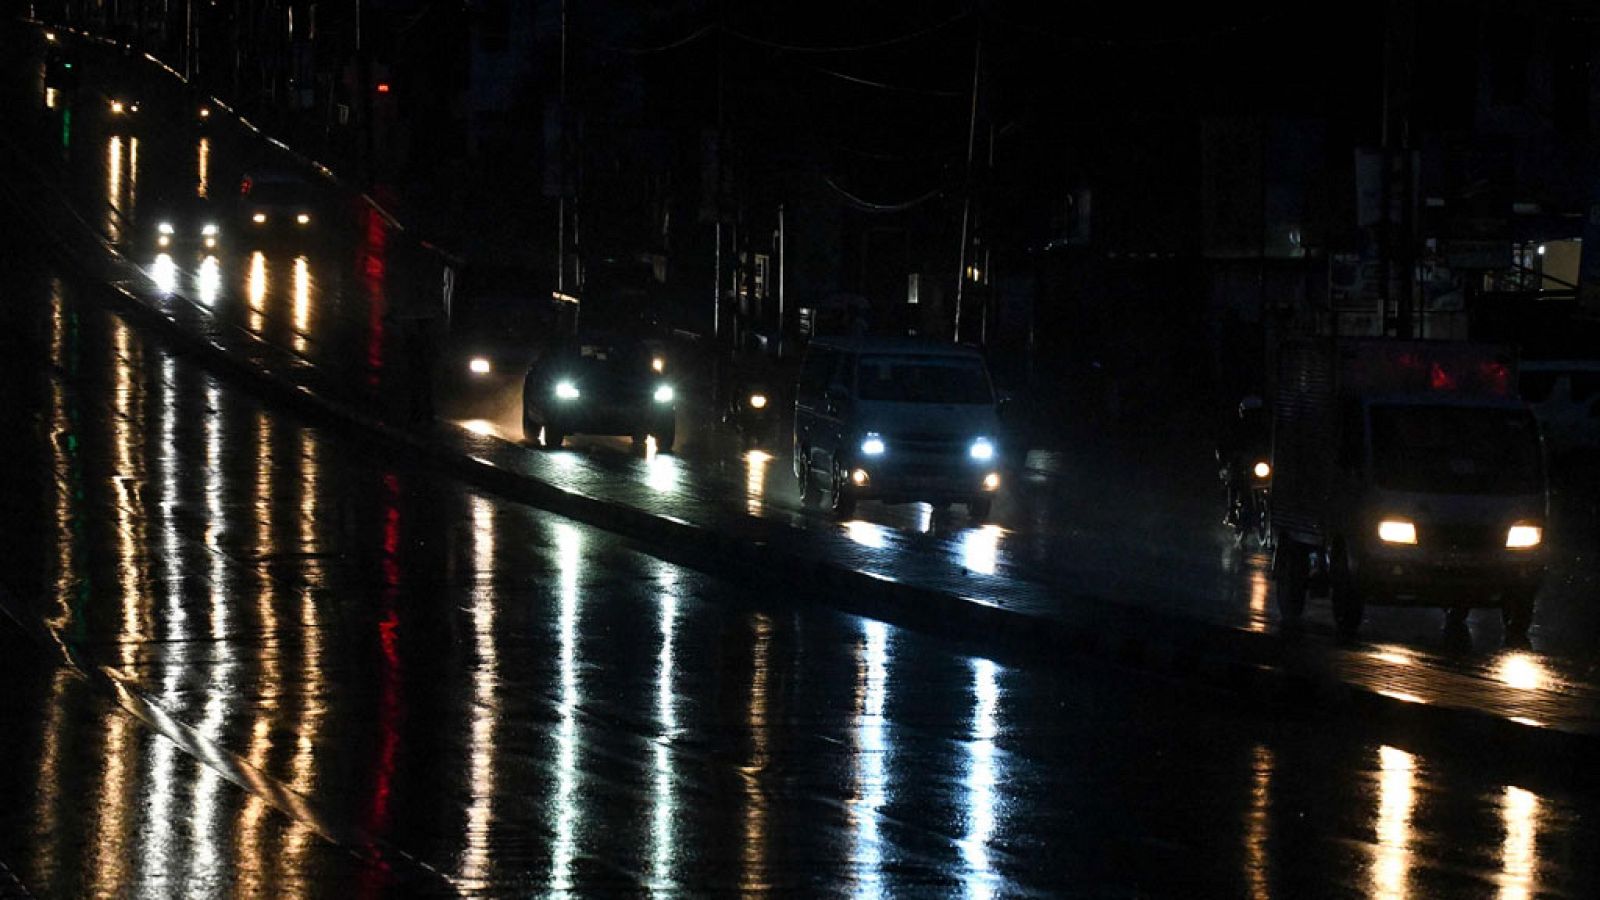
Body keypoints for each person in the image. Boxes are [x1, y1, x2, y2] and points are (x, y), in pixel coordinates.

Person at [1218, 395, 1270, 528]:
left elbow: (1270, 443)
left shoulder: (1266, 428)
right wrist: (1227, 459)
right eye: (1250, 413)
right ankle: (1231, 512)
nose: (1253, 417)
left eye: (1256, 413)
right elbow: (1224, 445)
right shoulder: (1236, 428)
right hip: (1241, 463)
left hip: (1259, 463)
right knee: (1233, 479)